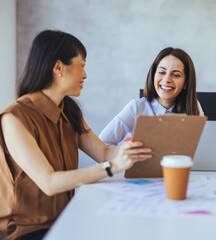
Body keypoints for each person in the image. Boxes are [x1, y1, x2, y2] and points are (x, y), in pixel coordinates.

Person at [0, 30, 152, 240]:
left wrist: (136, 148)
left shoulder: (69, 111)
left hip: (66, 217)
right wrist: (111, 167)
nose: (86, 75)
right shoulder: (14, 118)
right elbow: (49, 183)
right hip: (26, 231)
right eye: (82, 65)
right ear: (58, 67)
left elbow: (105, 153)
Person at [99, 47, 204, 146]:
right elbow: (103, 143)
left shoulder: (194, 107)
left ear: (186, 83)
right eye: (162, 72)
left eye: (176, 75)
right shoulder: (136, 107)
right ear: (153, 75)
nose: (167, 79)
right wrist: (126, 153)